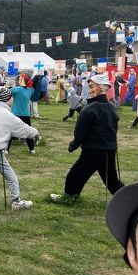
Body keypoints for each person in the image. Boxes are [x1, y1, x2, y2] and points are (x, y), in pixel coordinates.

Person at [50, 74, 123, 204]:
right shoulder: (111, 108)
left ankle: (69, 197)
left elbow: (80, 132)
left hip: (93, 150)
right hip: (109, 149)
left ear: (101, 88)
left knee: (75, 175)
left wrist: (73, 145)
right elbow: (113, 128)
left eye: (91, 87)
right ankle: (129, 199)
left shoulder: (89, 109)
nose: (89, 90)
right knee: (111, 179)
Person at [7, 74, 36, 155]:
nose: (18, 79)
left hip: (16, 114)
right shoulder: (30, 90)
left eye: (19, 78)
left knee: (10, 132)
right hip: (26, 114)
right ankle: (32, 149)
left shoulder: (16, 90)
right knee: (28, 131)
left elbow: (8, 92)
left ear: (22, 80)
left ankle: (6, 149)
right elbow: (32, 87)